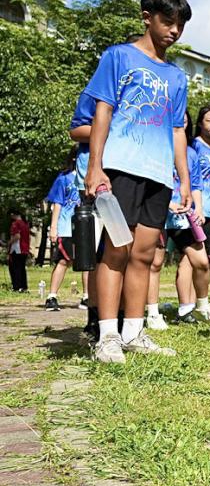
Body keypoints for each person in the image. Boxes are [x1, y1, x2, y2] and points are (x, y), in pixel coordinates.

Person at [82, 0, 191, 364]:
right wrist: (95, 166)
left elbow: (178, 130)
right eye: (167, 21)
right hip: (122, 166)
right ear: (147, 17)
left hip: (159, 175)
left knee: (144, 255)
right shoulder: (118, 57)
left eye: (180, 24)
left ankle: (134, 331)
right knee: (116, 250)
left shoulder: (178, 77)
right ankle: (107, 335)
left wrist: (184, 179)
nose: (174, 31)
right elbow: (103, 112)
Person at [149, 110, 209, 329]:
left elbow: (196, 185)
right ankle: (152, 313)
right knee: (154, 263)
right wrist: (167, 203)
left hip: (184, 216)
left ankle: (202, 307)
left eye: (184, 119)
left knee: (201, 261)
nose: (181, 122)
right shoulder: (157, 147)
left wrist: (198, 208)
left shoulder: (192, 153)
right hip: (159, 211)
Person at [183, 105, 210, 322]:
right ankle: (188, 306)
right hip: (196, 209)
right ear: (200, 123)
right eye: (209, 120)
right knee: (190, 259)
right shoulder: (194, 146)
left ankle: (195, 306)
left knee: (202, 259)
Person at [68, 92, 100, 340]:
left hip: (126, 174)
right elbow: (76, 131)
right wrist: (112, 130)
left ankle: (123, 317)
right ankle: (94, 316)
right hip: (92, 179)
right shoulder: (93, 93)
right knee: (95, 251)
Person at [43, 146, 87, 311]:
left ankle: (86, 297)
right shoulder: (64, 178)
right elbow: (57, 203)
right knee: (63, 260)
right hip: (66, 226)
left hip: (85, 226)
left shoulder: (91, 178)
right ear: (75, 158)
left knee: (88, 262)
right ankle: (52, 296)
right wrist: (53, 227)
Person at [7, 211, 30, 293]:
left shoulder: (15, 224)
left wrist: (8, 243)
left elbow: (17, 236)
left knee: (14, 268)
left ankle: (16, 286)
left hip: (16, 249)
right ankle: (24, 287)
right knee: (22, 269)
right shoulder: (25, 224)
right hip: (25, 249)